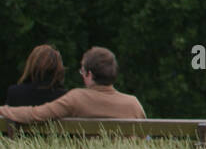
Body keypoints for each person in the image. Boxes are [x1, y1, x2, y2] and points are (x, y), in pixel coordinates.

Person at [0, 47, 145, 126]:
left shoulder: (77, 98)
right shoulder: (133, 104)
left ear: (89, 74)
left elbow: (35, 114)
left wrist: (3, 110)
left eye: (82, 70)